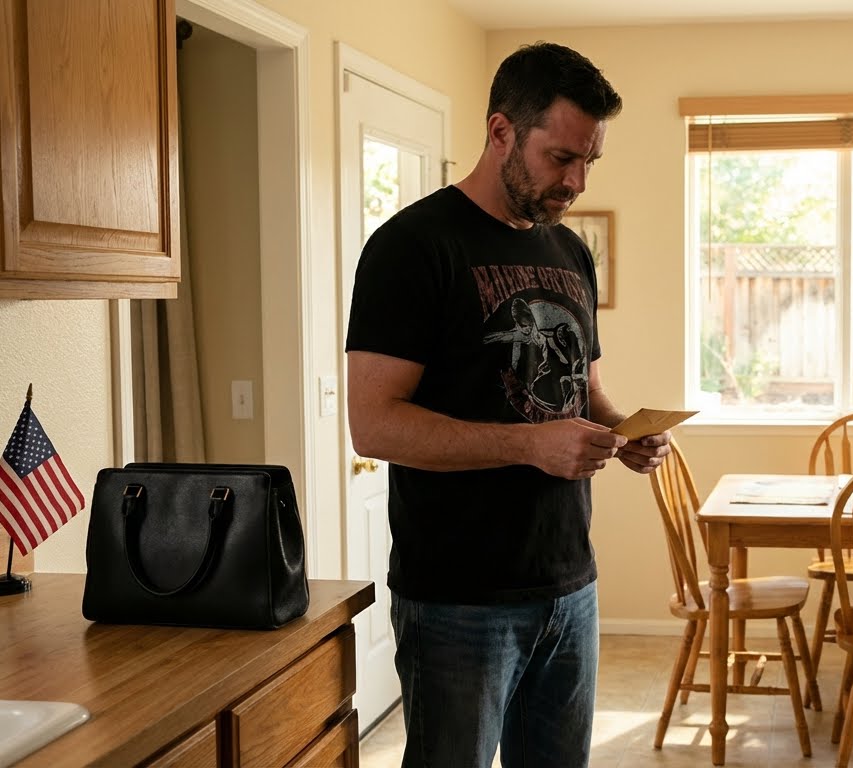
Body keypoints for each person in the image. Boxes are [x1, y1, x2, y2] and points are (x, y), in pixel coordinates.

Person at [344, 42, 671, 768]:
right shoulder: (411, 248)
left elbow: (577, 389)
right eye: (560, 158)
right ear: (500, 133)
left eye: (589, 161)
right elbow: (373, 425)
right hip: (457, 598)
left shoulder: (568, 251)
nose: (576, 181)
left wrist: (625, 432)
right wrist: (528, 444)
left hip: (569, 582)